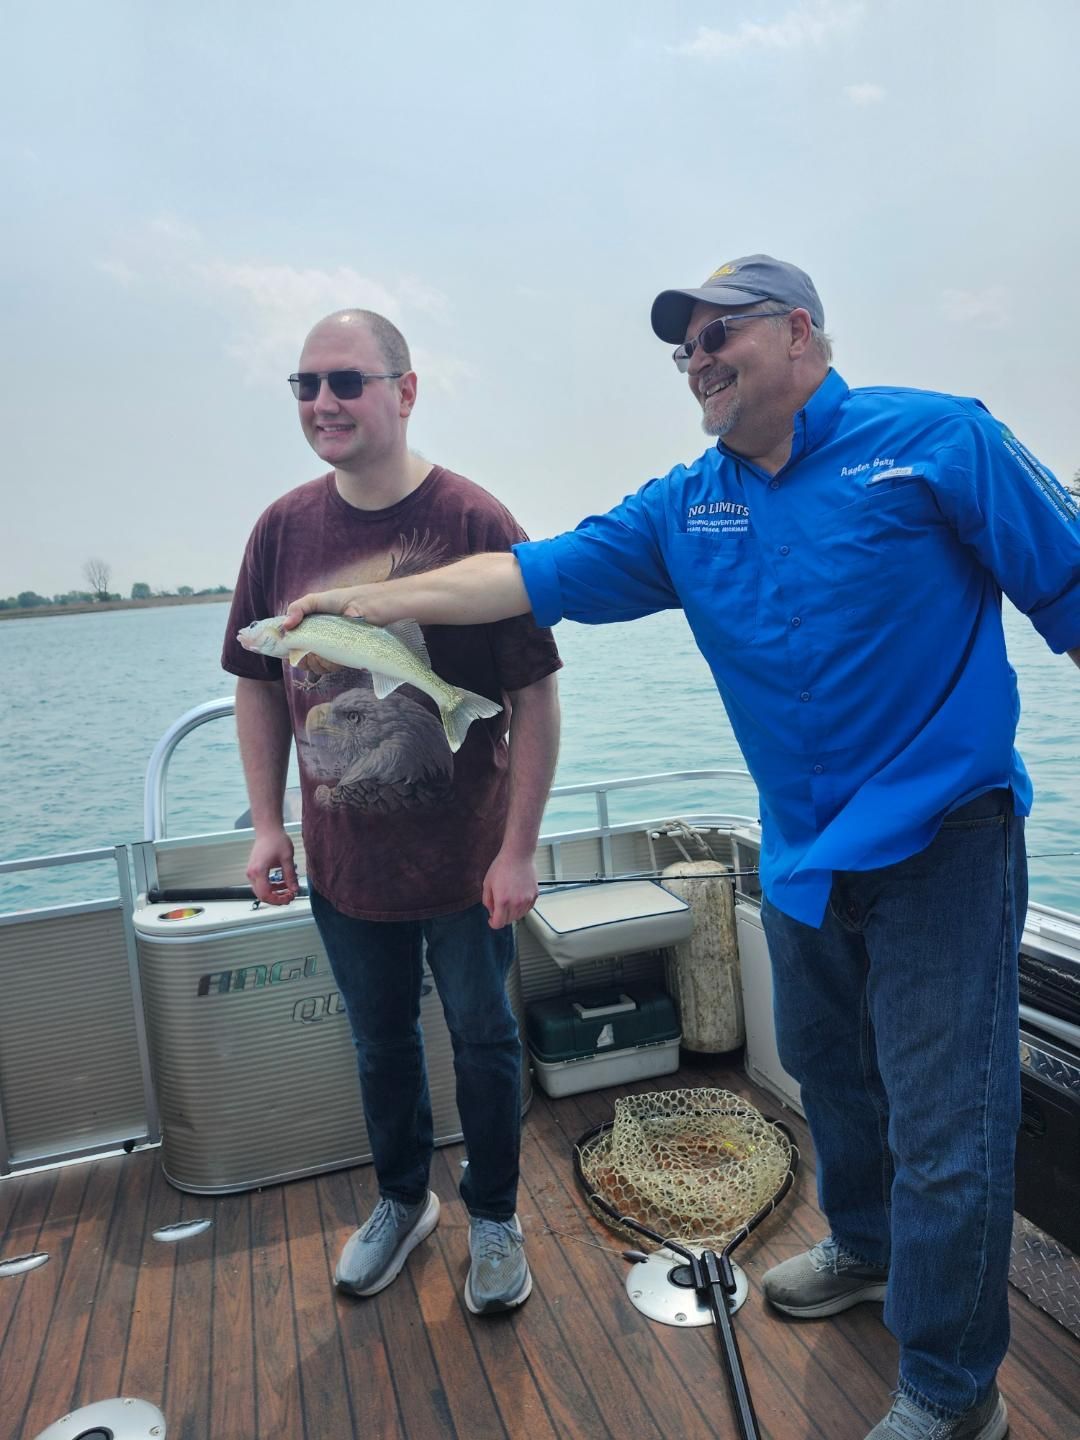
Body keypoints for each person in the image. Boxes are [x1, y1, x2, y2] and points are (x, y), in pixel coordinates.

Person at [282, 257, 1080, 1439]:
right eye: (683, 349)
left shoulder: (939, 441)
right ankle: (863, 1249)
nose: (698, 361)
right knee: (832, 1079)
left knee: (944, 1126)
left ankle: (954, 1395)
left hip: (945, 843)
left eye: (721, 336)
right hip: (805, 852)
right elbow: (525, 573)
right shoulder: (686, 507)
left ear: (800, 333)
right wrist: (374, 604)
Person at [221, 308, 561, 1315]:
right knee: (379, 1044)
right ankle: (403, 1201)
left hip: (468, 863)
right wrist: (268, 823)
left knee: (485, 1039)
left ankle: (493, 1218)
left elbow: (535, 694)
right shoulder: (282, 529)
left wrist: (520, 849)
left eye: (346, 381)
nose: (323, 401)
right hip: (344, 863)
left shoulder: (475, 521)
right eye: (305, 385)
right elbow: (253, 681)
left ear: (404, 391)